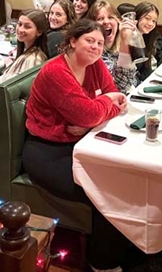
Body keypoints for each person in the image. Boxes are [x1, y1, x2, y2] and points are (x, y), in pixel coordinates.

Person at [22, 20, 131, 271]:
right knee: (106, 194)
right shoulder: (56, 72)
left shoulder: (95, 65)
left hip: (81, 142)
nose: (95, 47)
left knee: (123, 182)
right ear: (72, 41)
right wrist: (98, 109)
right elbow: (94, 110)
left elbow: (116, 96)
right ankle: (101, 263)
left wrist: (93, 115)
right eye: (89, 40)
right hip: (46, 152)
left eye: (100, 43)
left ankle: (122, 252)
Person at [87, 0, 137, 94]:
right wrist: (125, 41)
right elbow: (120, 85)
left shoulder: (117, 49)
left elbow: (132, 80)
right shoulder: (94, 53)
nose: (106, 22)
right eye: (100, 19)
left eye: (110, 17)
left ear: (118, 22)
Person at [134, 1, 162, 82]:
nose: (150, 23)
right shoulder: (129, 38)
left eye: (154, 21)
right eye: (147, 18)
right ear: (137, 17)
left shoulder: (149, 37)